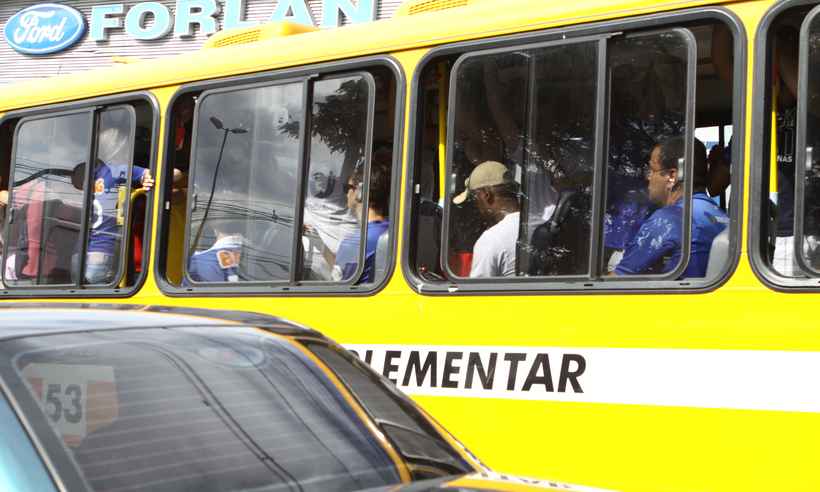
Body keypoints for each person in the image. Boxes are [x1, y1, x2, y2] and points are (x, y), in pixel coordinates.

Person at [613, 137, 728, 278]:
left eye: (652, 170)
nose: (648, 178)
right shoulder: (722, 217)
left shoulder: (669, 219)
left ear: (672, 176)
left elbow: (619, 280)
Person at [71, 127, 155, 284]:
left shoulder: (89, 175)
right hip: (102, 252)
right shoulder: (117, 171)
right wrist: (148, 179)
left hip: (78, 255)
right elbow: (155, 173)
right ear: (120, 149)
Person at [306, 159, 391, 284]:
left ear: (360, 192)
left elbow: (339, 284)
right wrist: (319, 243)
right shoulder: (391, 230)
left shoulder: (357, 242)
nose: (345, 193)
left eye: (347, 188)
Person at [452, 160, 520, 278]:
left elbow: (476, 294)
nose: (475, 207)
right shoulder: (537, 224)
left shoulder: (490, 240)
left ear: (486, 195)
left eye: (474, 199)